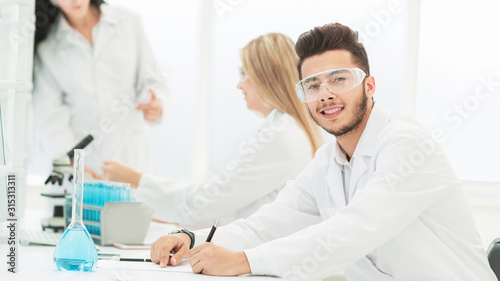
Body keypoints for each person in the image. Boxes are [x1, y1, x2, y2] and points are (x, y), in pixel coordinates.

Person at [149, 23, 496, 280]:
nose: (325, 93)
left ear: (369, 85)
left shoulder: (406, 145)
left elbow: (352, 230)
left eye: (339, 79)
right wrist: (190, 238)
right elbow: (267, 225)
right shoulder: (327, 163)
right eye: (313, 85)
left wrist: (244, 261)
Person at [101, 33, 324, 229]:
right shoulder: (282, 129)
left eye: (244, 73)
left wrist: (135, 179)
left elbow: (206, 201)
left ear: (268, 77)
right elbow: (230, 206)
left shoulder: (281, 137)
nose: (240, 85)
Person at [32, 0, 167, 177]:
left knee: (135, 203)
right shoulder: (47, 49)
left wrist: (156, 105)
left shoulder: (129, 22)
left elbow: (151, 81)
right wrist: (70, 161)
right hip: (88, 166)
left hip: (133, 160)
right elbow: (49, 117)